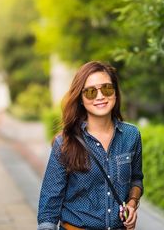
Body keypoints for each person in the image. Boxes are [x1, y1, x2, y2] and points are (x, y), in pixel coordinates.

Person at [37, 61, 143, 230]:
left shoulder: (131, 136)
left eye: (107, 88)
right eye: (91, 92)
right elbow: (49, 204)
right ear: (80, 98)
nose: (100, 96)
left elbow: (136, 179)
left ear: (115, 92)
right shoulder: (65, 142)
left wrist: (132, 203)